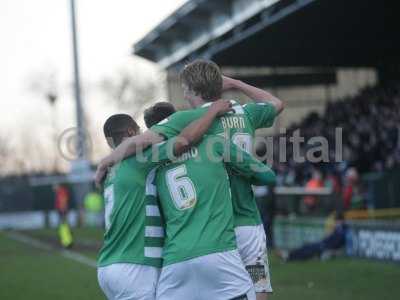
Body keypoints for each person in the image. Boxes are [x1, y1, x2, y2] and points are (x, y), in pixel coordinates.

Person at [95, 60, 284, 299]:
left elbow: (143, 141)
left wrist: (109, 159)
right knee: (259, 287)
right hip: (246, 223)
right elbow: (276, 104)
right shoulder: (243, 112)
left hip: (209, 231)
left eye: (184, 88)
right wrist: (236, 83)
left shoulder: (185, 121)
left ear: (191, 90)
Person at [97, 100, 233, 300]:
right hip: (135, 266)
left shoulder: (110, 172)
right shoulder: (140, 160)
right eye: (140, 131)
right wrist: (211, 112)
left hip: (107, 266)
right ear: (132, 133)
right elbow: (183, 141)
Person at [143, 102, 277, 300]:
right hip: (231, 239)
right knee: (257, 288)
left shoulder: (151, 163)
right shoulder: (212, 143)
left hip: (176, 257)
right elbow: (267, 177)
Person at [277, 214, 347, 262]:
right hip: (322, 244)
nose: (335, 222)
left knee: (307, 251)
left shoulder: (341, 232)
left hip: (325, 247)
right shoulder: (337, 230)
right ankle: (288, 255)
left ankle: (288, 257)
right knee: (306, 246)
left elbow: (335, 244)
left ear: (341, 221)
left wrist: (329, 251)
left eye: (337, 221)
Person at [54, 184, 73, 248]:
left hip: (62, 211)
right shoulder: (61, 191)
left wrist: (63, 210)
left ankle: (67, 242)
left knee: (63, 226)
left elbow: (63, 201)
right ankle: (67, 241)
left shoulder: (61, 192)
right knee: (64, 225)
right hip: (63, 211)